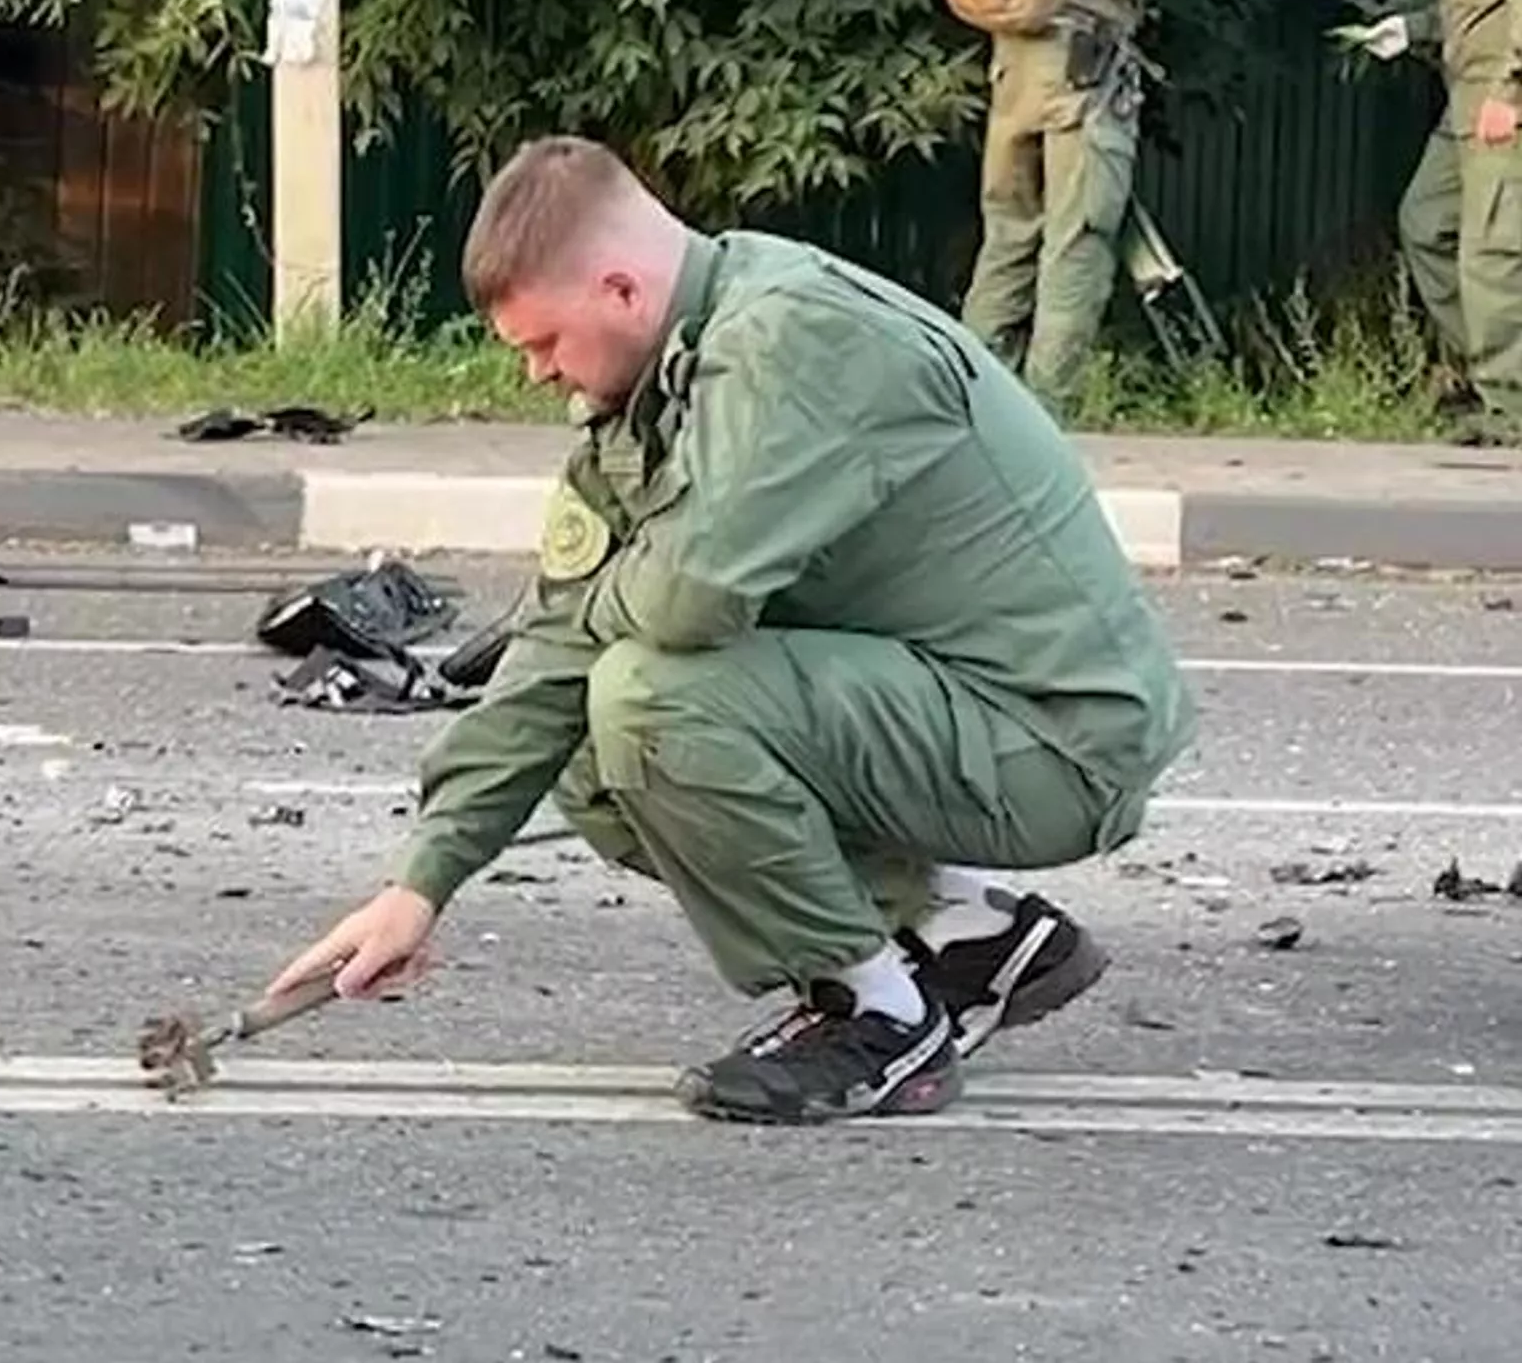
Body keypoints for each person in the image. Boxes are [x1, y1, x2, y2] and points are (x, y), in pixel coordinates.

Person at [266, 136, 1198, 1126]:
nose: (537, 373)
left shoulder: (794, 341)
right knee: (587, 740)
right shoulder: (662, 380)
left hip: (1054, 739)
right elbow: (551, 654)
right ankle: (964, 933)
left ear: (622, 291)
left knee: (650, 697)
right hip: (953, 707)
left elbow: (685, 601)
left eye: (545, 343)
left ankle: (879, 1019)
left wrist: (592, 610)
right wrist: (419, 886)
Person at [955, 0, 1207, 408]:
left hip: (1014, 56)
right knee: (1079, 239)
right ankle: (1047, 413)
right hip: (1082, 68)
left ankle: (971, 403)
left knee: (1008, 234)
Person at [1337, 0, 1522, 438]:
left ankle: (1510, 411)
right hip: (1466, 102)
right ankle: (1486, 375)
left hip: (1499, 102)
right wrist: (1412, 28)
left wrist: (1513, 92)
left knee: (1493, 254)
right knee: (1427, 222)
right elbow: (1484, 6)